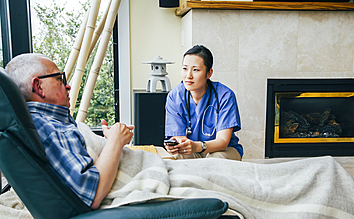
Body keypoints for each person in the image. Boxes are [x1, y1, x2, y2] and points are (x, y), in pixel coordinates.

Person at [5, 53, 134, 209]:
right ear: (38, 86)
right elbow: (92, 193)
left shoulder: (45, 122)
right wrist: (115, 141)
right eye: (60, 79)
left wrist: (109, 140)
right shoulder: (46, 128)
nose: (68, 86)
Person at [164, 45, 243, 161]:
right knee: (175, 157)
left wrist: (197, 146)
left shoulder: (225, 96)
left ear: (209, 73)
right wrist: (176, 146)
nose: (188, 75)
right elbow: (179, 137)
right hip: (192, 151)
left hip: (222, 151)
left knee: (214, 158)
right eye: (185, 68)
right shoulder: (174, 96)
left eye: (195, 70)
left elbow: (222, 142)